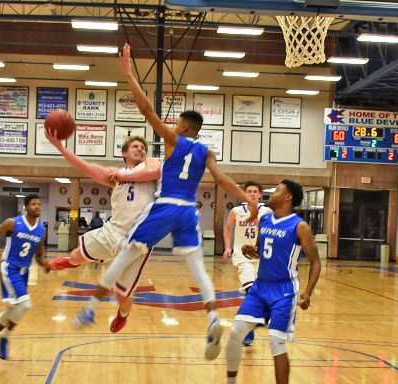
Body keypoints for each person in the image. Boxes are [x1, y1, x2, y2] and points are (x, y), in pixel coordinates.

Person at [72, 43, 259, 361]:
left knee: (125, 253)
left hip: (165, 205)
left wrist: (129, 74)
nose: (171, 128)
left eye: (175, 125)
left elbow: (146, 110)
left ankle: (90, 309)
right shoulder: (206, 152)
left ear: (184, 127)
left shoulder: (173, 140)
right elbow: (223, 181)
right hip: (190, 211)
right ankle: (213, 318)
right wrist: (249, 203)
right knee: (198, 268)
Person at [44, 132, 160, 333]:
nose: (141, 149)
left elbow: (154, 171)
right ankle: (66, 262)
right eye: (135, 147)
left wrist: (124, 175)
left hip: (138, 240)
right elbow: (85, 167)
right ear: (124, 153)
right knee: (76, 255)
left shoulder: (150, 164)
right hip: (113, 230)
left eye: (143, 147)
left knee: (123, 297)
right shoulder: (115, 174)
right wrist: (60, 148)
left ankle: (122, 316)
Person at [226, 180, 321, 384]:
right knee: (235, 333)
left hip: (284, 290)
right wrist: (249, 250)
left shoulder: (299, 226)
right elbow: (259, 249)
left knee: (276, 342)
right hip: (260, 286)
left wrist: (308, 293)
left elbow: (316, 262)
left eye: (278, 189)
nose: (272, 192)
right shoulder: (266, 219)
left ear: (288, 198)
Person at [0, 194, 46, 360]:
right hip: (9, 267)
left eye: (39, 204)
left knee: (13, 310)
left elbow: (39, 256)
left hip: (24, 272)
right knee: (26, 305)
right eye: (34, 204)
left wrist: (48, 264)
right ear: (26, 207)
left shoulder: (41, 229)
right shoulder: (13, 222)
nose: (37, 207)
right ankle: (5, 338)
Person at [222, 181, 271, 346]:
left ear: (259, 195)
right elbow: (227, 228)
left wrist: (256, 219)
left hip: (261, 257)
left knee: (254, 295)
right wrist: (228, 247)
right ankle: (248, 330)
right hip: (242, 255)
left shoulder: (267, 211)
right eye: (248, 191)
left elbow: (270, 231)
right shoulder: (236, 211)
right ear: (244, 194)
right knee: (251, 290)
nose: (251, 194)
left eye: (254, 191)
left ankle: (250, 322)